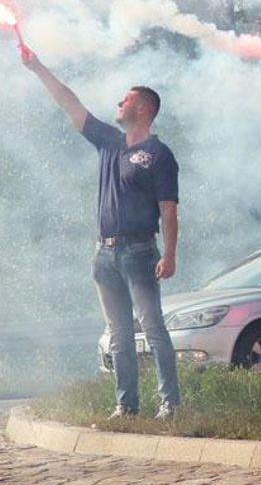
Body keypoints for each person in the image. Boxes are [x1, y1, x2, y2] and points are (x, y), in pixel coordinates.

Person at [21, 46, 181, 420]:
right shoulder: (109, 142)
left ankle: (170, 404)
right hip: (104, 254)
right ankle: (126, 406)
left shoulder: (158, 155)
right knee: (119, 334)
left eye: (125, 99)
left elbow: (168, 209)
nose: (118, 103)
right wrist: (36, 66)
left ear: (142, 109)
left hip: (141, 251)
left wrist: (169, 254)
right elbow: (68, 102)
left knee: (153, 328)